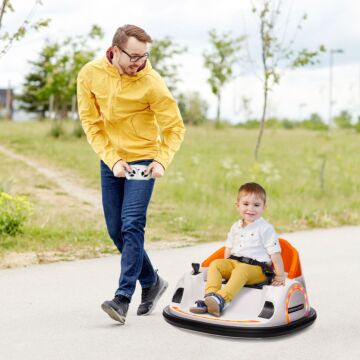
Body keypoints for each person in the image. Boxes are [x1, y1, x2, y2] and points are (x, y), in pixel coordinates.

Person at [77, 24, 185, 324]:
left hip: (144, 159)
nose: (140, 62)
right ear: (115, 50)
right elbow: (91, 123)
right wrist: (112, 160)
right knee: (115, 229)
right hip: (112, 159)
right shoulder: (90, 74)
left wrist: (161, 160)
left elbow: (175, 127)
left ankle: (122, 298)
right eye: (134, 56)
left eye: (144, 56)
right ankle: (151, 282)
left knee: (132, 224)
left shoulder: (152, 82)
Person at [190, 182, 285, 317]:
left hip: (257, 269)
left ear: (264, 207)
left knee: (241, 270)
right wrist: (226, 266)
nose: (250, 209)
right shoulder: (236, 226)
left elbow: (275, 254)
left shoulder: (266, 228)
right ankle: (210, 297)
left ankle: (222, 299)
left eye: (256, 205)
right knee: (216, 264)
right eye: (246, 204)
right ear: (238, 205)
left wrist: (280, 275)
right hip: (235, 263)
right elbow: (228, 249)